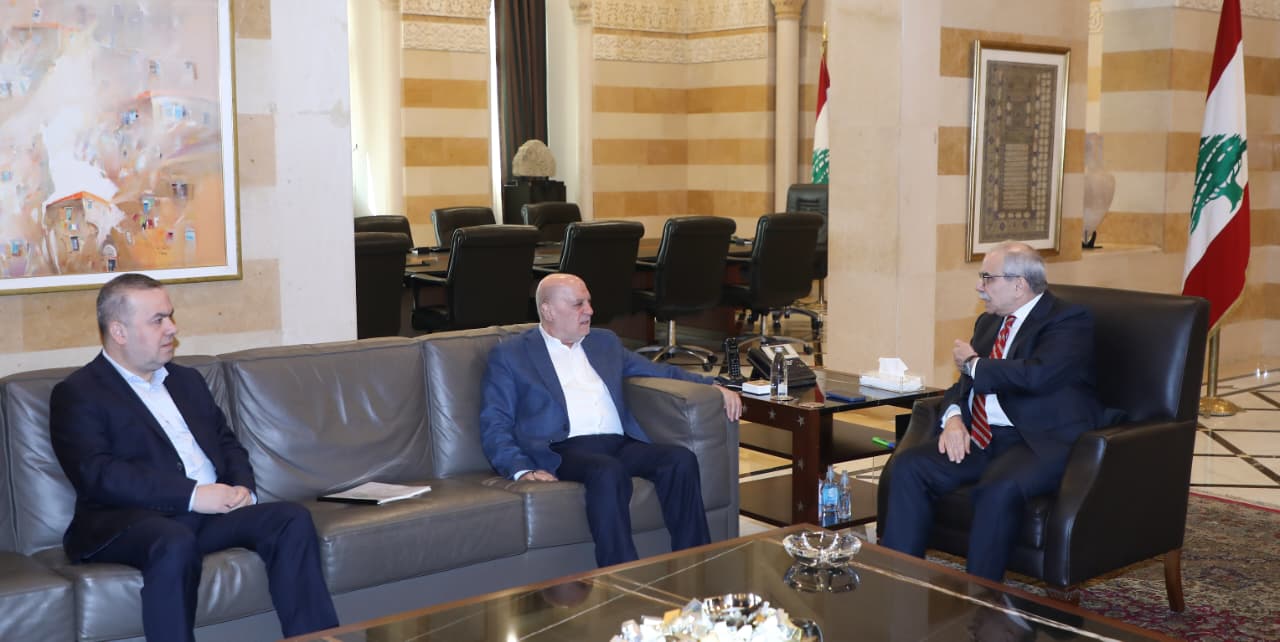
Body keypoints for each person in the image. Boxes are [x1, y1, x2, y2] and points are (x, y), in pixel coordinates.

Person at [50, 274, 339, 642]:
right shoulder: (79, 393)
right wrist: (192, 496)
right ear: (119, 332)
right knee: (173, 541)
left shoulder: (186, 381)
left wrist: (242, 488)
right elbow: (99, 474)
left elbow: (227, 442)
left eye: (170, 316)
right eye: (158, 320)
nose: (172, 328)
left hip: (209, 515)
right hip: (130, 523)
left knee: (290, 519)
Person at [480, 273, 742, 567]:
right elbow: (494, 422)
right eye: (578, 304)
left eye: (589, 302)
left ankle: (697, 566)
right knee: (607, 471)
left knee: (679, 460)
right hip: (562, 449)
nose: (590, 311)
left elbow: (660, 371)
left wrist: (712, 386)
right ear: (548, 310)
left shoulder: (603, 342)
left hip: (618, 443)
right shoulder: (512, 354)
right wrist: (520, 469)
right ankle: (621, 573)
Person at [880, 242, 1102, 581]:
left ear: (1019, 284)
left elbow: (1037, 375)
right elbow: (962, 385)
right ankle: (900, 582)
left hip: (1035, 440)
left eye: (987, 277)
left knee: (997, 489)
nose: (979, 287)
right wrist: (954, 418)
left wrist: (974, 363)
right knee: (909, 466)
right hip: (981, 436)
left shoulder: (1068, 320)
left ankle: (982, 597)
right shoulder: (989, 322)